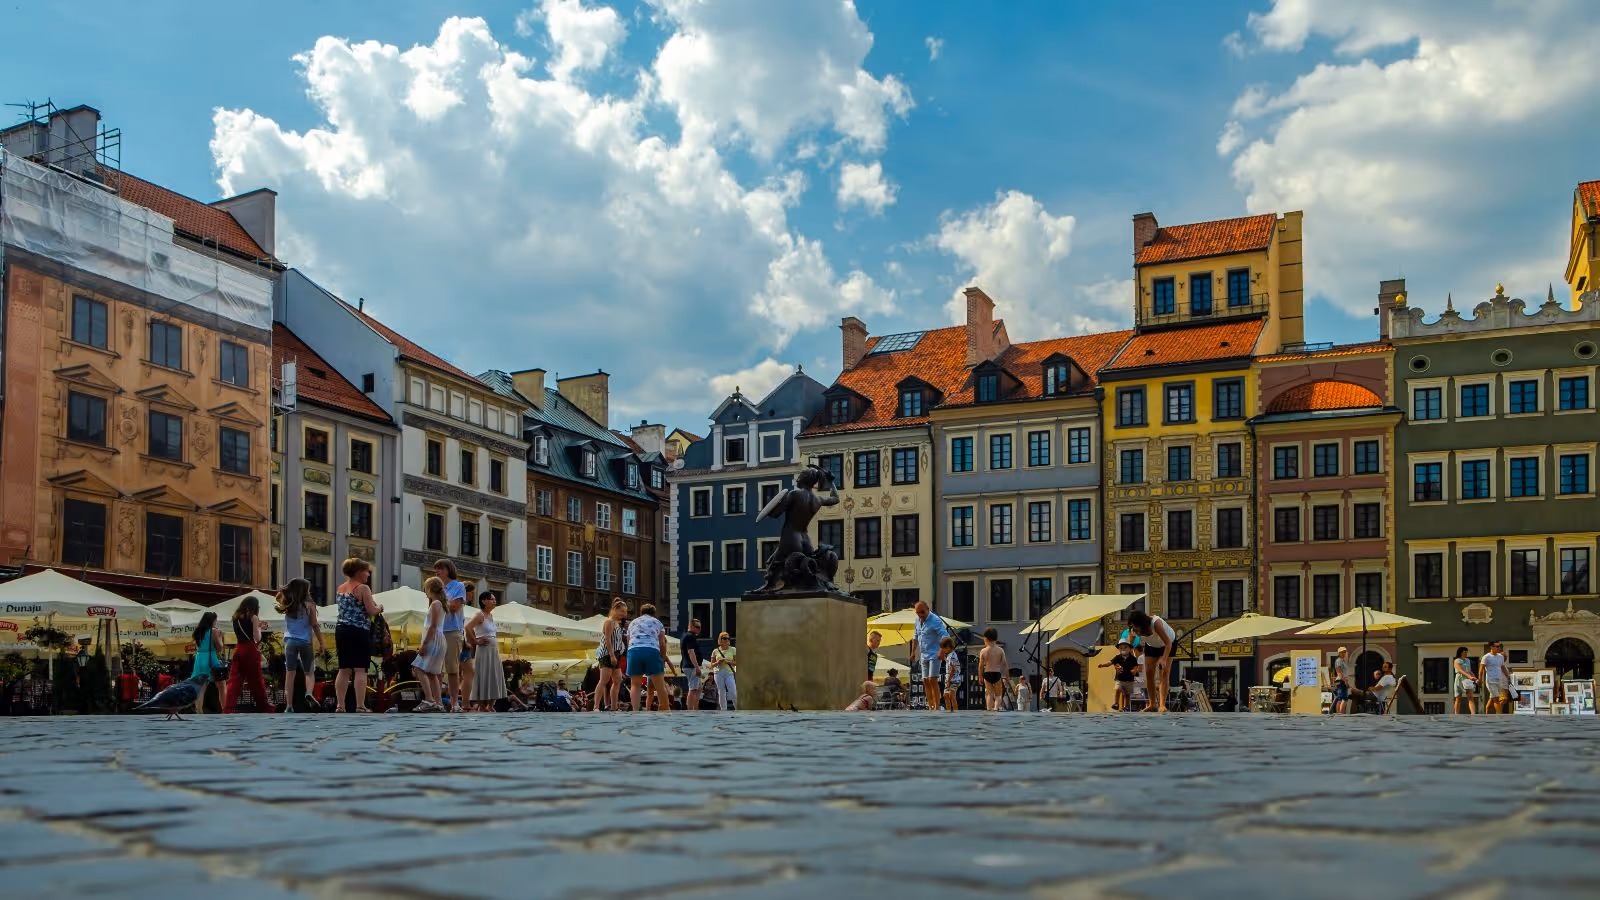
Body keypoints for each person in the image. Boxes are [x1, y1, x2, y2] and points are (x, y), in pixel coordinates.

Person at [333, 557, 383, 713]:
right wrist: (380, 607)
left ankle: (340, 705)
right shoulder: (363, 588)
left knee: (344, 669)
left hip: (341, 630)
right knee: (360, 669)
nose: (368, 574)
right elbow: (371, 610)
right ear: (359, 572)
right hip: (358, 631)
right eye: (367, 571)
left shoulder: (340, 588)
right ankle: (360, 705)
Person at [276, 578, 324, 713]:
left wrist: (286, 589)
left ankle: (289, 706)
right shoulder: (310, 605)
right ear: (304, 590)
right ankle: (309, 692)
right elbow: (315, 625)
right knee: (309, 672)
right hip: (305, 642)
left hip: (290, 642)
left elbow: (277, 596)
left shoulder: (287, 603)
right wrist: (321, 643)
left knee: (290, 674)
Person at [224, 594, 272, 713]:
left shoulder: (235, 617)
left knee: (234, 680)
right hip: (250, 650)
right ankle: (264, 707)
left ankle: (228, 708)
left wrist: (257, 626)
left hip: (239, 648)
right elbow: (257, 638)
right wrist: (260, 628)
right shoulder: (254, 617)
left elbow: (245, 630)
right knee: (256, 681)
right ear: (254, 607)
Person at [433, 560, 468, 713]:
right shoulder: (437, 587)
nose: (437, 571)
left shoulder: (458, 586)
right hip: (438, 630)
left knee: (452, 669)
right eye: (436, 569)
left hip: (452, 630)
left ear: (448, 570)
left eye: (440, 568)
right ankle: (438, 702)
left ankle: (455, 703)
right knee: (436, 669)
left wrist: (440, 601)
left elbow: (454, 607)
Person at [627, 603, 676, 712]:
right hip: (651, 650)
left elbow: (628, 640)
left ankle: (635, 710)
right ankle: (665, 709)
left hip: (634, 650)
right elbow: (662, 643)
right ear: (654, 614)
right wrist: (662, 657)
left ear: (641, 612)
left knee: (635, 684)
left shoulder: (632, 623)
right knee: (659, 685)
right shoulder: (658, 623)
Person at [1126, 610, 1177, 712]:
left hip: (1168, 644)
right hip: (1152, 646)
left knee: (1164, 672)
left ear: (1142, 623)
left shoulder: (1156, 623)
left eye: (1136, 627)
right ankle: (1152, 704)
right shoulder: (1134, 628)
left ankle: (1162, 705)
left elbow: (1168, 643)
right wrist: (1130, 649)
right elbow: (1130, 639)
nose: (1134, 630)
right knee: (1149, 672)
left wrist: (1163, 659)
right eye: (1132, 627)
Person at [410, 577, 448, 712]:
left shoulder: (435, 603)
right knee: (432, 673)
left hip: (433, 640)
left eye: (425, 588)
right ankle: (438, 703)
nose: (425, 591)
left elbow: (432, 626)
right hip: (439, 639)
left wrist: (424, 644)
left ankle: (429, 699)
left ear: (430, 588)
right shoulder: (441, 604)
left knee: (418, 668)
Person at [909, 600, 952, 712]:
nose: (920, 615)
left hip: (934, 653)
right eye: (918, 612)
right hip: (924, 654)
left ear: (928, 609)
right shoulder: (917, 620)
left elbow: (945, 635)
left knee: (932, 679)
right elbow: (915, 636)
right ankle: (931, 705)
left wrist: (942, 651)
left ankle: (937, 706)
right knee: (925, 680)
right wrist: (913, 651)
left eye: (922, 612)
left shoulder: (935, 620)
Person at [467, 591, 506, 711]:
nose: (495, 601)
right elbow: (467, 627)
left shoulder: (491, 616)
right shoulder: (480, 615)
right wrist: (476, 641)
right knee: (482, 674)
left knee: (494, 675)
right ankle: (483, 705)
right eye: (492, 599)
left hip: (493, 650)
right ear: (484, 601)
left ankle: (490, 705)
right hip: (484, 650)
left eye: (495, 599)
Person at [594, 599, 629, 712]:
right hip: (607, 654)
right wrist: (612, 655)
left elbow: (618, 641)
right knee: (603, 680)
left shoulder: (618, 624)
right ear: (614, 610)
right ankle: (596, 706)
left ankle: (614, 707)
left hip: (617, 654)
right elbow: (607, 640)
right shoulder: (609, 622)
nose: (624, 614)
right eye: (622, 611)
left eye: (625, 612)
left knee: (617, 680)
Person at [189, 611, 226, 715]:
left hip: (200, 658)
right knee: (221, 685)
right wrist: (220, 638)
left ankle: (199, 711)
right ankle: (225, 708)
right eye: (215, 620)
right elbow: (219, 648)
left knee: (201, 686)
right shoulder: (214, 631)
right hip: (211, 658)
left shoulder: (198, 631)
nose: (216, 622)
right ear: (212, 621)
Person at [1100, 640, 1140, 711]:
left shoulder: (1133, 658)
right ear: (1118, 649)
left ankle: (1126, 706)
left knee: (1127, 694)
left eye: (1125, 647)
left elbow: (1136, 666)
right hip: (1120, 678)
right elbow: (1110, 662)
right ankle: (1116, 703)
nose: (1123, 649)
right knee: (1117, 689)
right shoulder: (1117, 657)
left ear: (1130, 649)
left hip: (1129, 679)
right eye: (1121, 648)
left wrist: (1134, 670)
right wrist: (1103, 665)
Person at [457, 582, 479, 710]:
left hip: (459, 643)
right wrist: (465, 642)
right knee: (468, 674)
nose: (472, 596)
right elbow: (460, 627)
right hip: (460, 644)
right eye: (471, 593)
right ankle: (465, 703)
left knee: (462, 674)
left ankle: (464, 703)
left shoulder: (460, 606)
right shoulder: (459, 606)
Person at [978, 628, 1008, 711]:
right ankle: (996, 708)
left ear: (986, 638)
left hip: (987, 673)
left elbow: (980, 666)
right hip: (996, 673)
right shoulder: (1000, 650)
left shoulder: (983, 651)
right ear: (996, 638)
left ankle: (988, 708)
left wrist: (980, 676)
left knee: (989, 693)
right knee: (998, 694)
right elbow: (1005, 664)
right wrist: (1007, 676)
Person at [1480, 641, 1511, 714]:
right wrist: (1480, 679)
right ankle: (1500, 716)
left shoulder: (1500, 657)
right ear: (1491, 647)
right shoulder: (1486, 657)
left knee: (1492, 698)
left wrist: (1508, 677)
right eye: (1497, 646)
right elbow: (1481, 669)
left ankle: (1487, 712)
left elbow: (1503, 667)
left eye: (1499, 646)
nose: (1498, 648)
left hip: (1499, 681)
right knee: (1497, 699)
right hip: (1491, 681)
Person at [710, 631, 738, 710]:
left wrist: (728, 661)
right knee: (721, 693)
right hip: (718, 673)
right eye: (725, 638)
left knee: (733, 692)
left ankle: (738, 709)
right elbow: (711, 665)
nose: (727, 640)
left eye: (728, 638)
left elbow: (737, 662)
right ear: (720, 639)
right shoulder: (715, 651)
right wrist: (718, 662)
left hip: (729, 672)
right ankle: (724, 711)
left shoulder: (733, 649)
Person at [681, 618, 703, 710]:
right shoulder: (690, 636)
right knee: (693, 689)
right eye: (697, 627)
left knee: (699, 688)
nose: (699, 629)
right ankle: (690, 711)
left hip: (688, 665)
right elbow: (691, 652)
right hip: (691, 666)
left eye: (700, 627)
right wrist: (697, 667)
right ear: (690, 626)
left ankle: (695, 708)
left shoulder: (686, 636)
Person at [1452, 646, 1478, 715]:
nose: (1466, 653)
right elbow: (1460, 670)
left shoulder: (1468, 660)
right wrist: (1469, 676)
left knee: (1470, 697)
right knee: (1458, 697)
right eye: (1464, 652)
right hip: (1459, 679)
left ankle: (1473, 713)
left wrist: (1474, 677)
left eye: (1466, 652)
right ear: (1460, 653)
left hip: (1467, 679)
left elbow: (1469, 670)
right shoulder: (1456, 660)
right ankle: (1456, 714)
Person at [937, 636, 960, 712]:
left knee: (951, 696)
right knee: (945, 695)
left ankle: (956, 712)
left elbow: (953, 669)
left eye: (943, 648)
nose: (943, 650)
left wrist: (949, 680)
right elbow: (948, 663)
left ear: (948, 647)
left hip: (954, 679)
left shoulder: (953, 655)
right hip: (949, 679)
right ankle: (948, 711)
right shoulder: (949, 655)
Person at [1330, 647, 1353, 714]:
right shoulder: (1339, 660)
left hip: (1342, 680)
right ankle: (1340, 714)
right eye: (1342, 652)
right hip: (1341, 681)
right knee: (1342, 698)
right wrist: (1345, 681)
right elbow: (1339, 672)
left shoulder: (1342, 661)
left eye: (1344, 652)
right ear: (1339, 653)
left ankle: (1340, 714)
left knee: (1342, 698)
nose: (1343, 654)